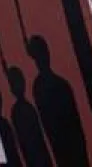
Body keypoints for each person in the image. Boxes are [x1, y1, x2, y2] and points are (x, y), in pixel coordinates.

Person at [26, 36, 87, 165]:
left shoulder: (61, 84)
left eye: (44, 52)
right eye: (40, 54)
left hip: (73, 149)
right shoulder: (40, 86)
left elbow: (76, 123)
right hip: (62, 150)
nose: (44, 57)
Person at [6, 66, 53, 167]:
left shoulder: (28, 107)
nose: (19, 85)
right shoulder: (18, 111)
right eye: (15, 83)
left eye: (20, 81)